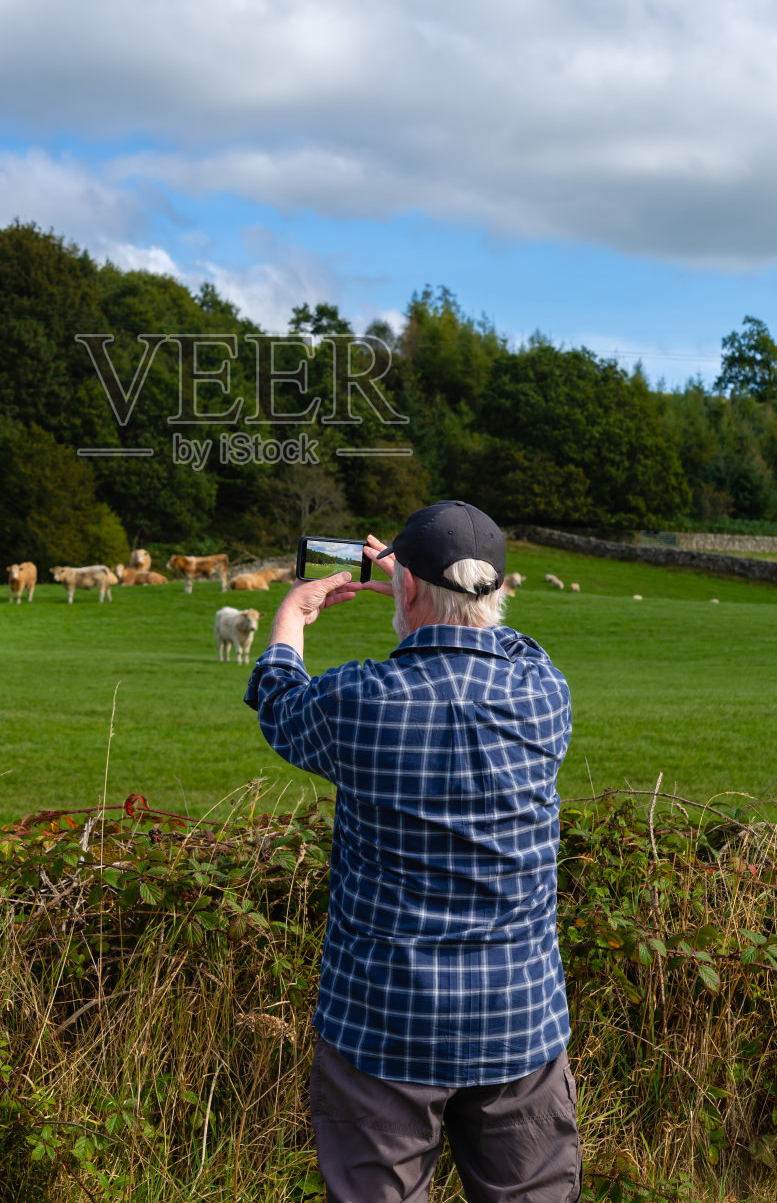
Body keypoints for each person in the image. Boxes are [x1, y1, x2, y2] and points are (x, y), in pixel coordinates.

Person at [244, 501, 580, 1203]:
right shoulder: (543, 693)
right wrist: (422, 587)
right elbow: (519, 646)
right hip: (518, 1017)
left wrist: (292, 617)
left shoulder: (361, 700)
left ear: (407, 589)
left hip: (382, 1021)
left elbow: (279, 702)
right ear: (496, 592)